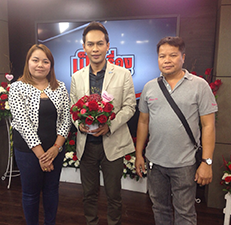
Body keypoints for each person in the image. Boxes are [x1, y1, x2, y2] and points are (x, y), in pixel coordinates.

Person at [135, 36, 217, 225]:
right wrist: (139, 154)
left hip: (185, 163)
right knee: (160, 209)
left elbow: (209, 125)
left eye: (173, 55)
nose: (167, 60)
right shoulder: (149, 87)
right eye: (162, 56)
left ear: (183, 57)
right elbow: (143, 122)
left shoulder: (199, 85)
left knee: (185, 213)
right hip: (155, 163)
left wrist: (207, 162)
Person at [70, 21, 136, 225]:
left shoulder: (123, 74)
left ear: (108, 45)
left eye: (100, 43)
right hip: (87, 146)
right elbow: (73, 108)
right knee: (88, 194)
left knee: (114, 195)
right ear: (84, 47)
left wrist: (111, 125)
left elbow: (130, 106)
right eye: (90, 44)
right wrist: (78, 125)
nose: (95, 49)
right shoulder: (77, 77)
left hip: (113, 144)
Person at [9, 44, 71, 225]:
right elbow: (23, 123)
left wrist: (55, 149)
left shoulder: (59, 87)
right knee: (30, 193)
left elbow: (66, 119)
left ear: (51, 65)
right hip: (28, 152)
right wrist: (42, 156)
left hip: (55, 150)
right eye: (35, 60)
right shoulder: (17, 88)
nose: (40, 65)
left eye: (45, 61)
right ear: (28, 62)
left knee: (52, 190)